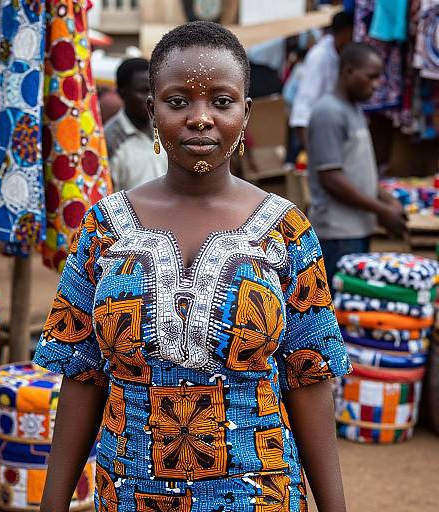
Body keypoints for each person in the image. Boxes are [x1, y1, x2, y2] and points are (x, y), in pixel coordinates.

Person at [35, 21, 351, 512]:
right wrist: (52, 504)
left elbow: (308, 379)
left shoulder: (285, 230)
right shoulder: (104, 229)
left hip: (259, 493)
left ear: (245, 114)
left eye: (221, 101)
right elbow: (82, 375)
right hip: (128, 493)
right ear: (152, 109)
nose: (200, 118)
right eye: (178, 101)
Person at [307, 42, 407, 283]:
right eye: (371, 77)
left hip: (357, 229)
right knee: (336, 309)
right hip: (337, 233)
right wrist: (381, 210)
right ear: (348, 71)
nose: (376, 85)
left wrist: (388, 200)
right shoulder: (328, 112)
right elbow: (331, 178)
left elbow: (358, 171)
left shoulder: (353, 111)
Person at [289, 10, 354, 145]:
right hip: (321, 131)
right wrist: (310, 151)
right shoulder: (319, 57)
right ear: (346, 32)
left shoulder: (343, 55)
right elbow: (303, 107)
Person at [104, 58, 167, 191]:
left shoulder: (166, 129)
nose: (151, 97)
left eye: (153, 90)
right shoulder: (109, 141)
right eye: (143, 91)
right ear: (122, 93)